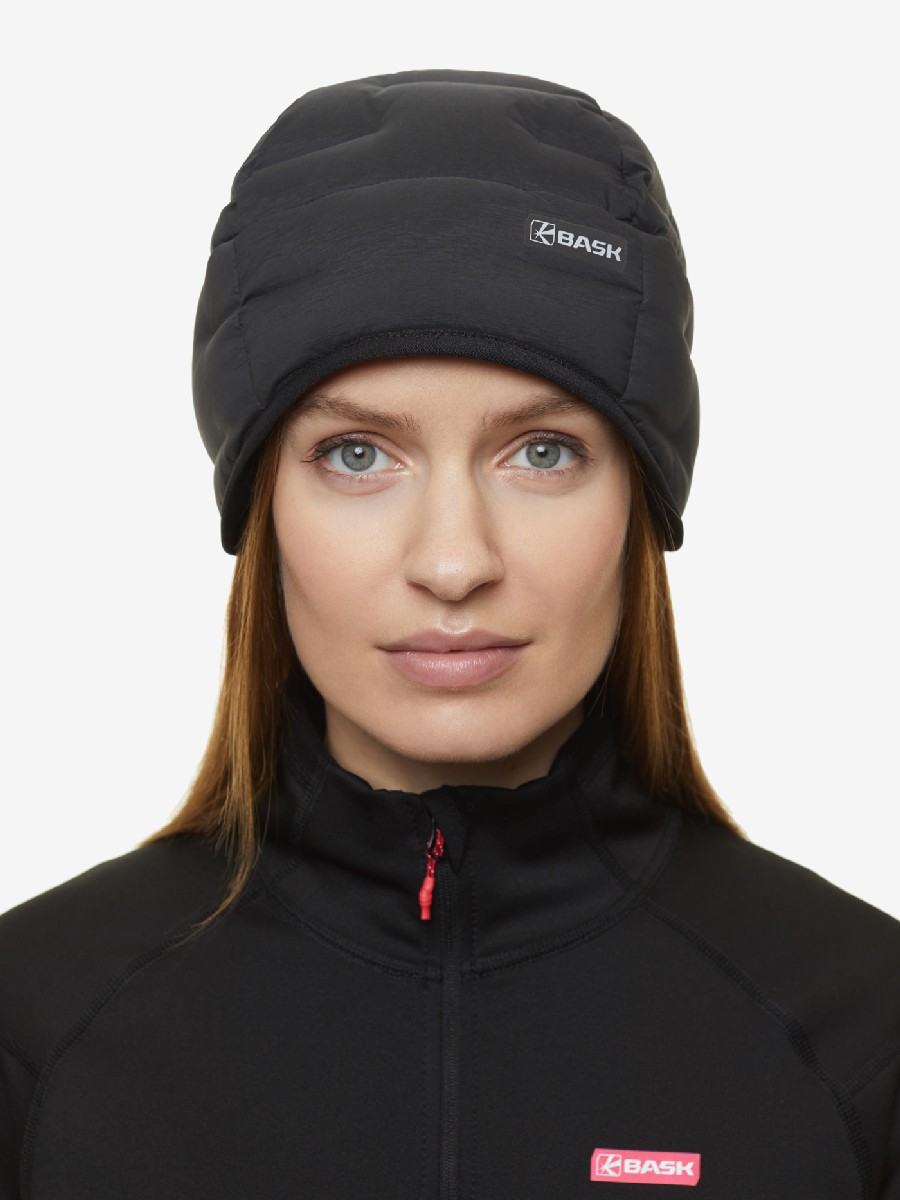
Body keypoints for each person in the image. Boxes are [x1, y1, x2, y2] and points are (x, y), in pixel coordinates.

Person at [1, 67, 898, 1199]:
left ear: (643, 496)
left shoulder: (861, 1034)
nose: (455, 561)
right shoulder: (35, 1031)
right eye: (357, 455)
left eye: (543, 452)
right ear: (262, 506)